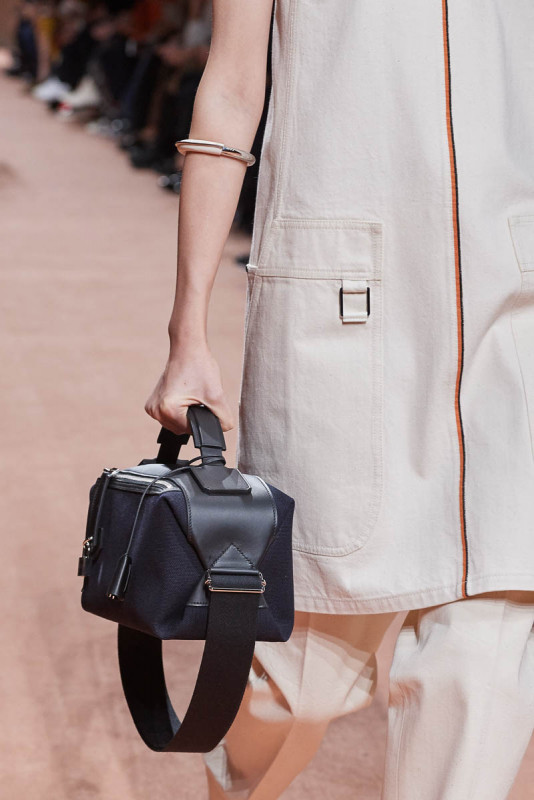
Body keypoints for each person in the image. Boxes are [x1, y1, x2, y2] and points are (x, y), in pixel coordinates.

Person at [144, 1, 534, 797]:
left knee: (483, 661)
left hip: (511, 300)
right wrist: (189, 329)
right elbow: (233, 85)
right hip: (341, 302)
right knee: (298, 681)